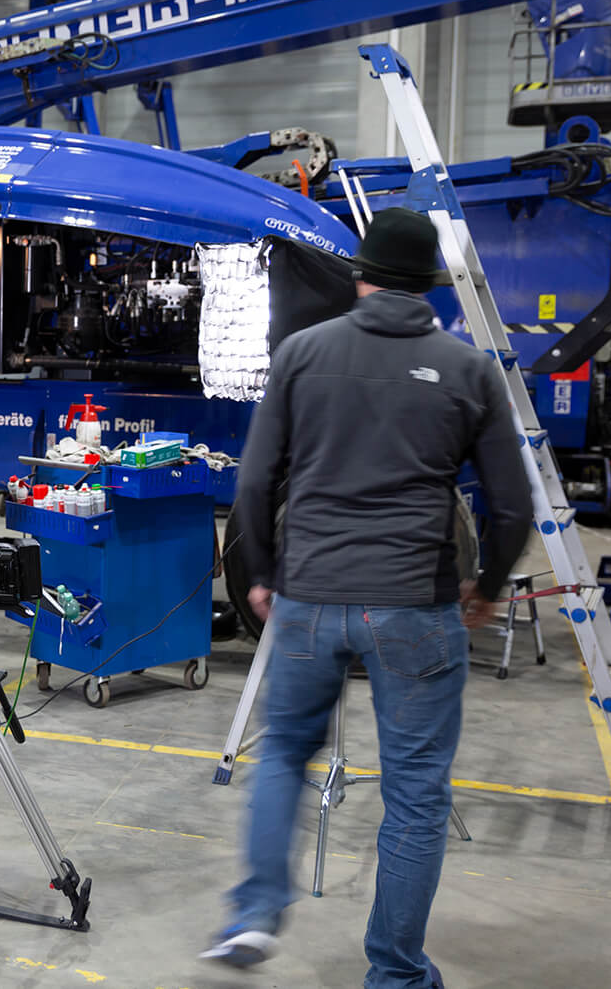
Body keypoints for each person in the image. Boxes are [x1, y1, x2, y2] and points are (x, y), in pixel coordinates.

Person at [203, 208, 533, 986]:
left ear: (360, 276)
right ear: (431, 287)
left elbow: (254, 481)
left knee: (284, 750)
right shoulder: (468, 368)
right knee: (416, 795)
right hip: (416, 606)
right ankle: (394, 971)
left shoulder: (302, 353)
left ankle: (254, 913)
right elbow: (512, 507)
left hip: (310, 598)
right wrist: (484, 590)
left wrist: (260, 575)